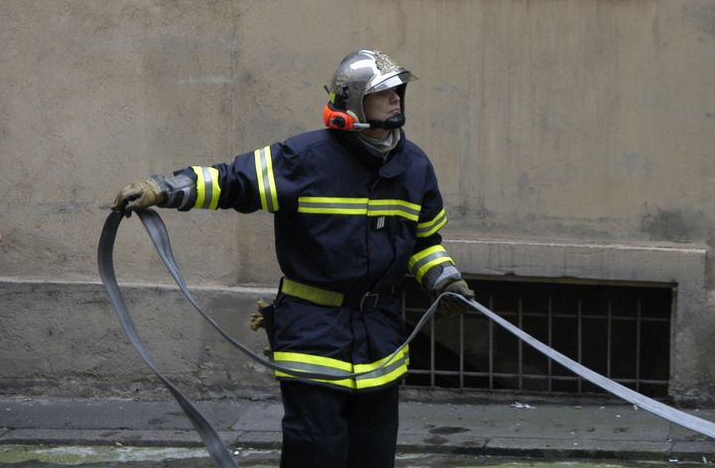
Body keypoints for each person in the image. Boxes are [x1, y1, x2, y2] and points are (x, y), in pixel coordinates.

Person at [112, 49, 474, 468]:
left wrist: (444, 280)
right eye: (383, 92)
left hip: (380, 339)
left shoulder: (414, 166)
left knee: (374, 455)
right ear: (354, 103)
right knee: (316, 452)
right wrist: (164, 189)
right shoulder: (304, 158)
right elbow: (231, 181)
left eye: (398, 91)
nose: (396, 98)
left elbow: (424, 242)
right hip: (313, 335)